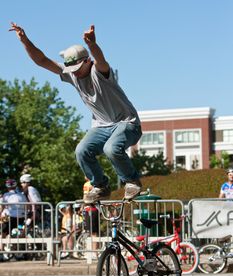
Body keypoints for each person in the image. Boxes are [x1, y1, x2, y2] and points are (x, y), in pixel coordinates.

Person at [9, 23, 142, 203]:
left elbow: (100, 59)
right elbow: (42, 61)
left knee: (110, 148)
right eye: (72, 70)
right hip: (101, 126)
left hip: (127, 124)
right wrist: (25, 40)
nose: (75, 74)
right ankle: (101, 185)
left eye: (78, 69)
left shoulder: (99, 71)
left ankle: (131, 180)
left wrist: (92, 45)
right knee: (81, 150)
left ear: (87, 61)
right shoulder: (72, 74)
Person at [0, 179, 27, 255]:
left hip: (10, 218)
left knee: (2, 233)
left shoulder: (6, 195)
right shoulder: (22, 195)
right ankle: (16, 251)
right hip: (21, 218)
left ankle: (1, 251)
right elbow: (27, 206)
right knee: (19, 233)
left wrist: (1, 214)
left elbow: (2, 207)